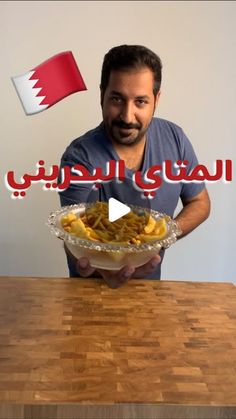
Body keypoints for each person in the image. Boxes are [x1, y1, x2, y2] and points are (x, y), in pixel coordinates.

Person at [59, 44, 210, 288]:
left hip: (150, 292)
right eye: (117, 99)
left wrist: (161, 237)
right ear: (102, 95)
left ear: (156, 100)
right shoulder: (79, 157)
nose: (127, 116)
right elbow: (72, 236)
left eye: (140, 101)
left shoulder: (175, 139)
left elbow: (200, 202)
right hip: (88, 293)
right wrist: (104, 268)